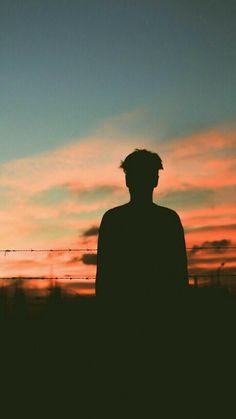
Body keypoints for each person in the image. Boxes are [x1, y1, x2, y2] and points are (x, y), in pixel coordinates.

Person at [96, 148, 188, 308]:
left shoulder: (113, 219)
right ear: (155, 180)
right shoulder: (168, 219)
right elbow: (179, 273)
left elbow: (104, 274)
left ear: (127, 180)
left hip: (122, 306)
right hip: (162, 306)